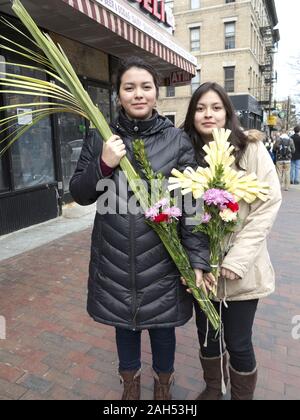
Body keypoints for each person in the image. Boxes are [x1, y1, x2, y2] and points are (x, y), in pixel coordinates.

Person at [69, 58, 211, 400]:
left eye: (145, 87)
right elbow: (80, 193)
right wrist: (103, 164)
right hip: (115, 258)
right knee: (126, 326)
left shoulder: (176, 142)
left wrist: (198, 260)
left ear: (156, 94)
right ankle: (129, 385)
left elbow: (192, 208)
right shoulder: (99, 137)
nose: (138, 94)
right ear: (118, 95)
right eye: (129, 87)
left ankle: (164, 385)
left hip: (163, 259)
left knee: (163, 329)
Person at [182, 82, 282, 400]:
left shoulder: (250, 149)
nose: (208, 114)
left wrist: (236, 259)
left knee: (238, 342)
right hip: (203, 270)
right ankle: (213, 389)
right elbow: (185, 214)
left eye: (215, 107)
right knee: (208, 337)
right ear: (192, 114)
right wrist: (192, 263)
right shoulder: (187, 154)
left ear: (227, 112)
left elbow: (267, 206)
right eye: (200, 108)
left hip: (241, 269)